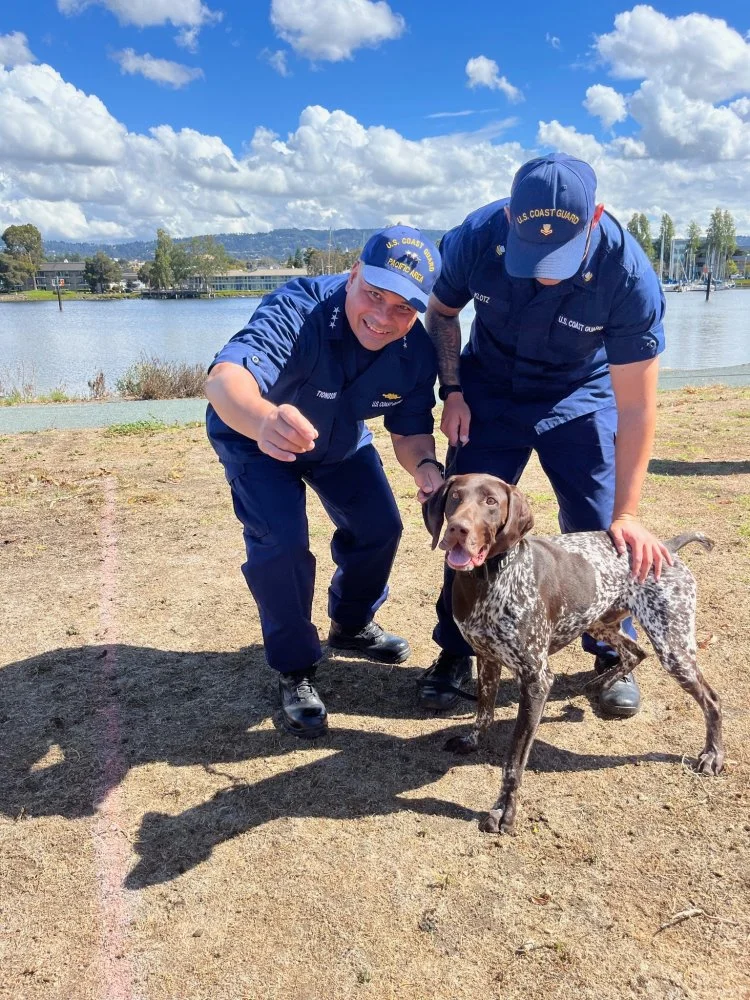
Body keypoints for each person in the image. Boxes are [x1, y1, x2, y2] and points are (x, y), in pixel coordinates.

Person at [420, 152, 671, 718]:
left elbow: (635, 408)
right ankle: (458, 650)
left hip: (579, 392)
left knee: (598, 526)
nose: (545, 272)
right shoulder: (475, 238)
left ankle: (609, 652)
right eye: (535, 255)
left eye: (561, 256)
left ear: (596, 216)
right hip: (491, 386)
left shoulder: (628, 274)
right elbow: (440, 314)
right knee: (466, 522)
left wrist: (628, 513)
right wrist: (453, 389)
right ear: (510, 217)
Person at [205, 226, 445, 739]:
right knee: (282, 547)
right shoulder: (299, 306)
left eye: (403, 308)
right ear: (353, 273)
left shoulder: (415, 353)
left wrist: (427, 470)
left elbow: (411, 433)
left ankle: (352, 623)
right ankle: (295, 668)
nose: (383, 317)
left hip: (338, 441)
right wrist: (264, 420)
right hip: (257, 436)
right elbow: (224, 380)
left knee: (380, 526)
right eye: (374, 294)